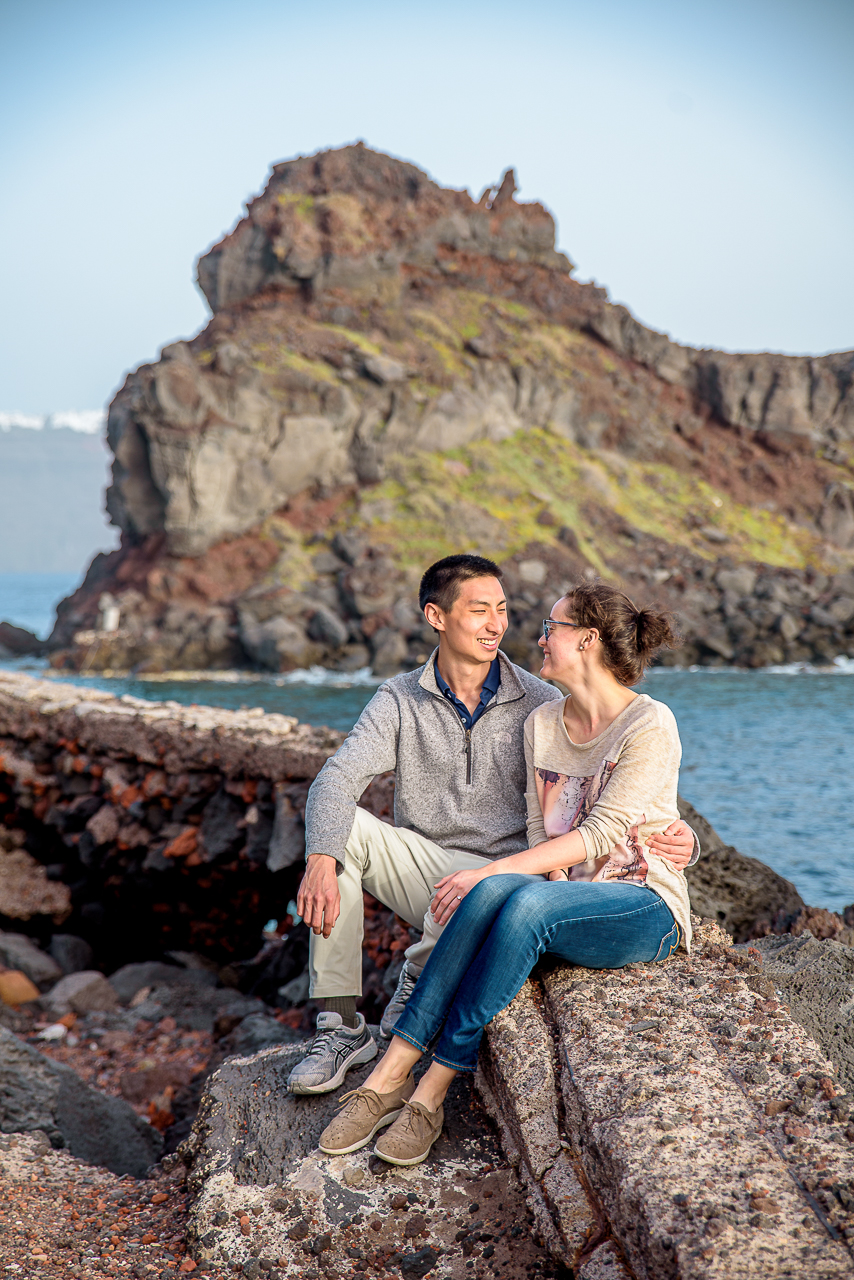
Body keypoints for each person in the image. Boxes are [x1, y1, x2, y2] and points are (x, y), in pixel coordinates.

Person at [287, 558, 698, 1096]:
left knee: (488, 892)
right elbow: (333, 780)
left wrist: (681, 836)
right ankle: (341, 1027)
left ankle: (425, 975)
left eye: (502, 610)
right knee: (341, 832)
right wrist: (320, 857)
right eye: (479, 610)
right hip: (432, 874)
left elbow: (613, 791)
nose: (497, 624)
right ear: (436, 616)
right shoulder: (398, 700)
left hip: (513, 880)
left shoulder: (544, 701)